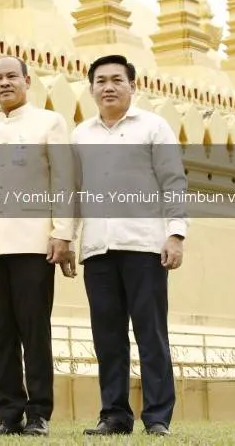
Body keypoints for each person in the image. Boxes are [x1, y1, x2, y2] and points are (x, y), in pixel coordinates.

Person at [71, 54, 188, 437]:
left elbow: (173, 181)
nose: (108, 86)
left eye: (116, 80)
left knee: (150, 334)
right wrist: (66, 238)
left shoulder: (154, 127)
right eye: (100, 80)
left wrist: (175, 233)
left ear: (132, 86)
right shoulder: (81, 134)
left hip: (144, 246)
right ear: (91, 89)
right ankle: (114, 415)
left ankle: (157, 418)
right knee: (108, 338)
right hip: (98, 250)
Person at [0, 55, 75, 437]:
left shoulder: (50, 122)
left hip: (33, 243)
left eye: (11, 76)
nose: (4, 83)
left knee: (34, 329)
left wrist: (62, 232)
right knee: (1, 331)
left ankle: (39, 412)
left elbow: (63, 180)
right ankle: (8, 412)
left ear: (28, 80)